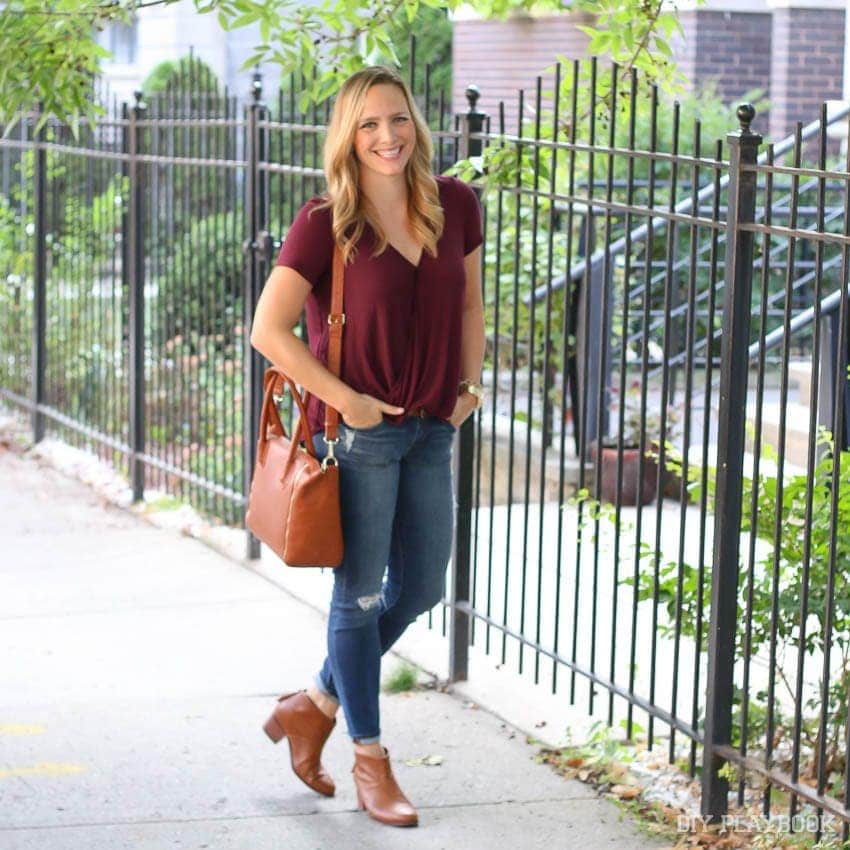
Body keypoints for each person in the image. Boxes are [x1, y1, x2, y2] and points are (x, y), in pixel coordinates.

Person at [249, 64, 485, 828]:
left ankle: (313, 702)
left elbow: (472, 303)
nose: (387, 136)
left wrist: (469, 392)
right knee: (356, 595)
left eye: (398, 120)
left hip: (431, 430)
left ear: (415, 124)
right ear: (348, 136)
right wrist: (347, 400)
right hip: (361, 437)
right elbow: (268, 330)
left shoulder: (455, 203)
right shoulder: (327, 220)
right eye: (369, 124)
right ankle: (370, 759)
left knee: (418, 584)